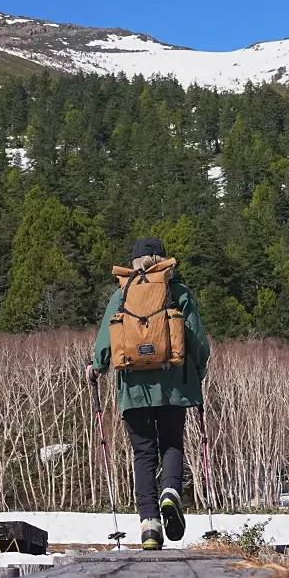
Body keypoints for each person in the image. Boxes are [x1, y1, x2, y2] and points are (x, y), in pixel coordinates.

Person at [86, 236, 211, 551]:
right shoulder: (178, 292)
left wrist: (96, 367)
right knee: (171, 444)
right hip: (174, 386)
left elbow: (106, 339)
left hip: (133, 388)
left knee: (143, 455)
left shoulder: (122, 293)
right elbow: (196, 341)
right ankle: (170, 491)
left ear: (134, 263)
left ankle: (149, 527)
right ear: (163, 260)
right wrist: (199, 371)